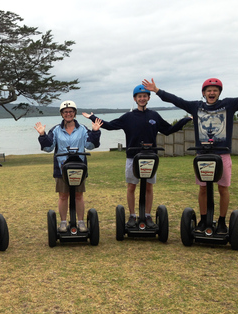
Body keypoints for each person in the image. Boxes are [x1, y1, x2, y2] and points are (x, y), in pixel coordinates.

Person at [142, 77, 238, 234]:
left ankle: (221, 222)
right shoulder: (196, 107)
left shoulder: (228, 105)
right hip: (203, 156)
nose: (212, 93)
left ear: (219, 92)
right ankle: (203, 219)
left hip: (222, 155)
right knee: (203, 189)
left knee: (223, 189)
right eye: (209, 91)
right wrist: (157, 91)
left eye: (215, 90)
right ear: (204, 93)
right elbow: (176, 100)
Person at [82, 85, 192, 228]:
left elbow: (168, 130)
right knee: (131, 187)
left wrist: (185, 120)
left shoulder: (154, 116)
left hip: (150, 157)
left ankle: (147, 215)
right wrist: (92, 117)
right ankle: (133, 215)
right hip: (132, 157)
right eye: (139, 96)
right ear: (135, 99)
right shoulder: (128, 117)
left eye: (144, 96)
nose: (142, 98)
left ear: (148, 98)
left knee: (149, 188)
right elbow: (110, 125)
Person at [34, 100, 102, 233]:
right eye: (65, 112)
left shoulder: (82, 129)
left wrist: (95, 132)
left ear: (75, 113)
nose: (68, 114)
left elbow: (91, 145)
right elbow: (48, 147)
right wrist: (42, 135)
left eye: (71, 111)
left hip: (79, 168)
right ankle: (64, 222)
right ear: (62, 114)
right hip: (62, 168)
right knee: (63, 196)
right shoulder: (56, 130)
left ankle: (81, 222)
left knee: (78, 195)